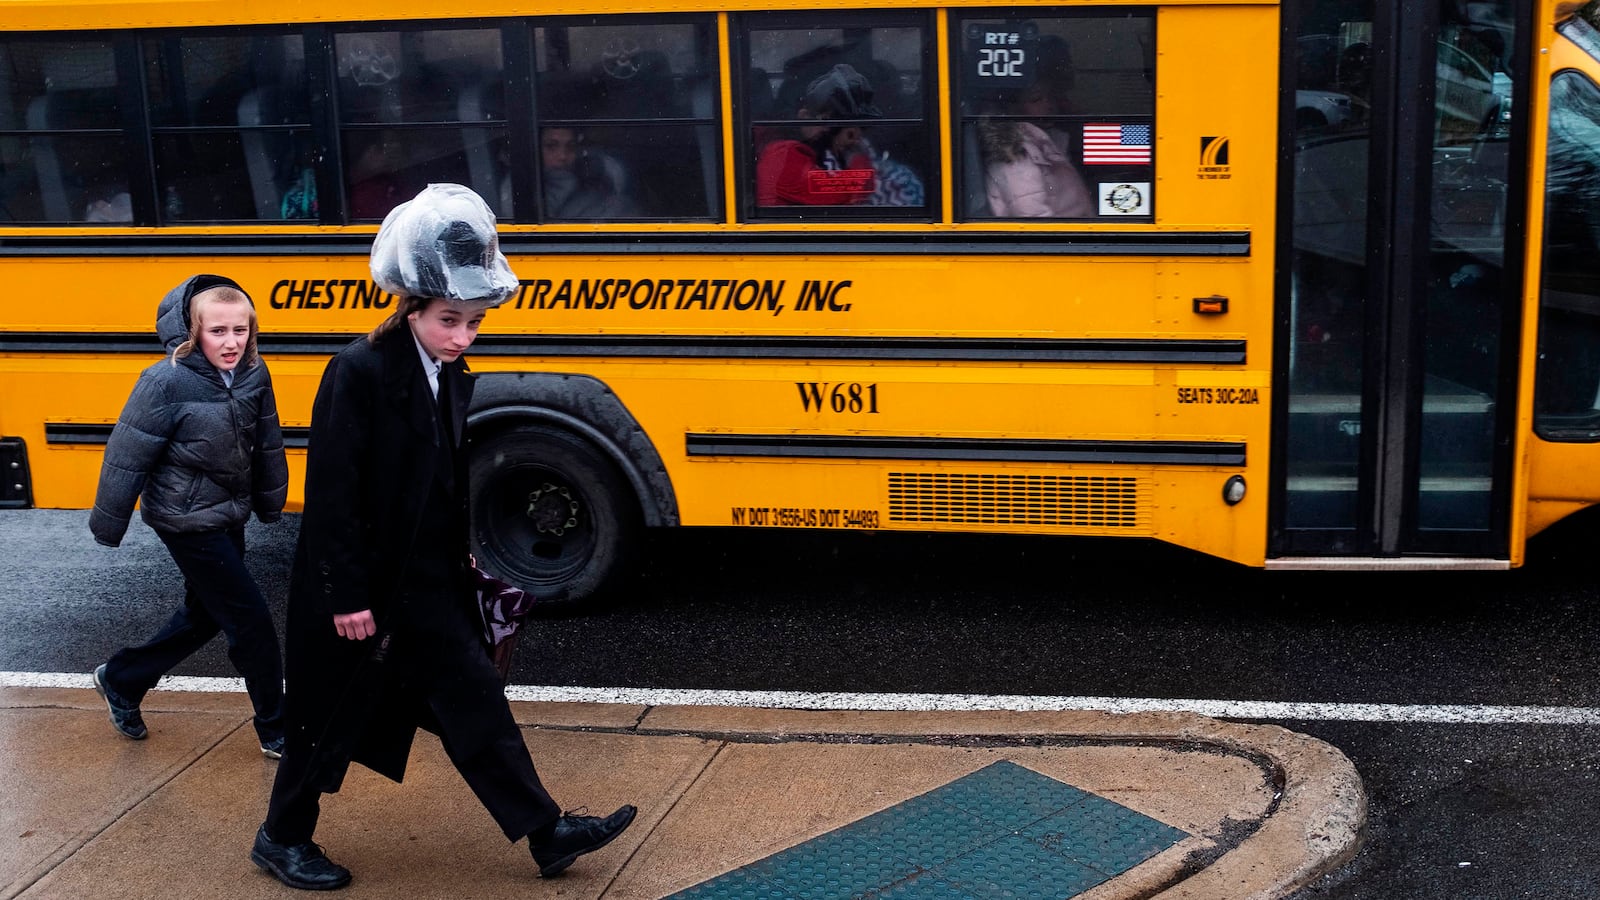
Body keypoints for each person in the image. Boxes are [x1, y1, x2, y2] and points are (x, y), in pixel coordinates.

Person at [252, 183, 636, 891]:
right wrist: (346, 595)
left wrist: (461, 553)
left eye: (474, 324)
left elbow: (446, 478)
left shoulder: (452, 374)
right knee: (326, 716)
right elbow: (332, 493)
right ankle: (280, 838)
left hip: (429, 581)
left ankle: (547, 834)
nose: (463, 336)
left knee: (475, 702)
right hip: (362, 586)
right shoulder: (358, 372)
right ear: (411, 309)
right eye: (450, 320)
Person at [89, 275, 289, 757]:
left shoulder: (253, 373)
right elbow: (127, 451)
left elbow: (266, 440)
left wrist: (268, 501)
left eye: (240, 330)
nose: (231, 342)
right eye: (218, 331)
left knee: (205, 615)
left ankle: (122, 679)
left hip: (227, 511)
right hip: (185, 518)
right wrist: (109, 523)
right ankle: (278, 730)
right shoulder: (165, 381)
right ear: (191, 331)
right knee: (252, 623)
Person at [756, 63, 882, 206]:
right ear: (804, 116)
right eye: (825, 121)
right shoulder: (782, 155)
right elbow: (838, 194)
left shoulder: (807, 152)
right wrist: (858, 155)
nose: (826, 130)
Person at [539, 126, 636, 219]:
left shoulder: (602, 199)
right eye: (551, 146)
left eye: (571, 147)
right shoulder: (529, 193)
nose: (562, 156)